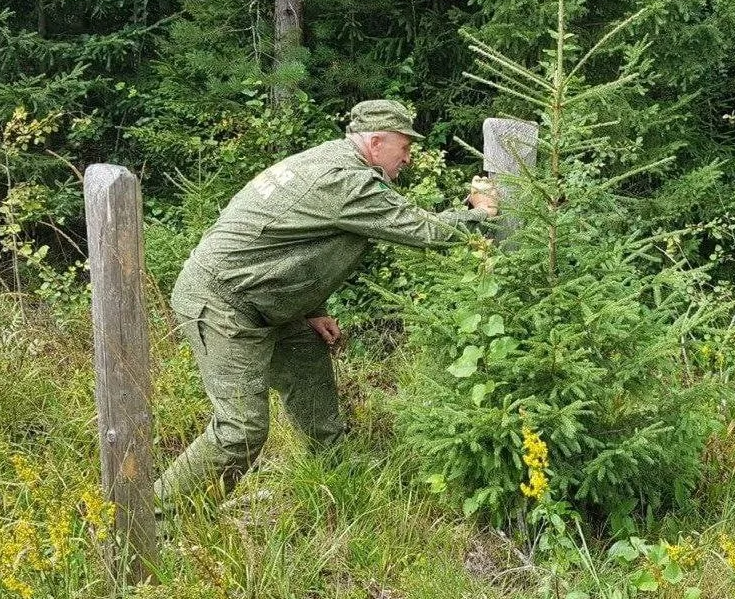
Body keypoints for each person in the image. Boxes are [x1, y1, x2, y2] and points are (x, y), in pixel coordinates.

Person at [155, 99, 498, 506]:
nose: (408, 157)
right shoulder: (346, 182)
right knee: (240, 431)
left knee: (313, 386)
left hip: (271, 301)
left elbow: (295, 240)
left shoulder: (328, 161)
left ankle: (337, 491)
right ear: (375, 142)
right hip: (224, 302)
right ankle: (152, 518)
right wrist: (482, 213)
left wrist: (311, 309)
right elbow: (427, 232)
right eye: (404, 147)